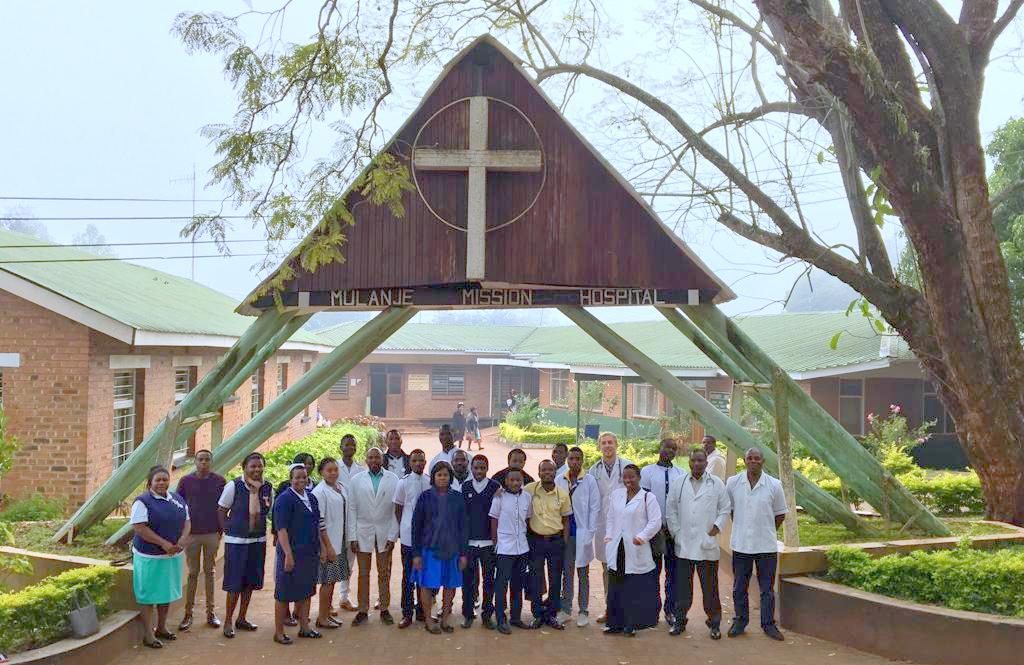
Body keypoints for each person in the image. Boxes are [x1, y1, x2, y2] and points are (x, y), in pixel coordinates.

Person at [665, 448, 730, 639]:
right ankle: (680, 621)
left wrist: (717, 527)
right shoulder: (679, 483)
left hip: (706, 544)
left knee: (710, 588)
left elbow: (725, 508)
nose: (697, 464)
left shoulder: (716, 484)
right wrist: (676, 533)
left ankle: (714, 623)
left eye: (701, 460)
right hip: (684, 544)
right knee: (682, 588)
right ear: (689, 462)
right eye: (693, 460)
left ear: (706, 462)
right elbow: (671, 510)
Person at [725, 447, 788, 641]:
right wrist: (744, 527)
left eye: (757, 458)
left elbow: (780, 514)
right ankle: (740, 621)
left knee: (767, 589)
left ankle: (768, 624)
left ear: (763, 461)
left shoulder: (774, 485)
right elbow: (731, 510)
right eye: (750, 458)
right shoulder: (733, 482)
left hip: (766, 546)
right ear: (745, 461)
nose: (753, 461)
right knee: (739, 587)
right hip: (741, 545)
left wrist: (765, 529)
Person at [131, 465, 191, 649]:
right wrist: (163, 544)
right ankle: (148, 635)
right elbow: (139, 528)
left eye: (165, 479)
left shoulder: (176, 498)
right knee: (148, 596)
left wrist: (182, 539)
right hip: (150, 557)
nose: (162, 483)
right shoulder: (142, 501)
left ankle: (162, 628)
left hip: (172, 557)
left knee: (165, 593)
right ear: (150, 482)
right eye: (158, 480)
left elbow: (187, 521)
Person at [272, 464, 330, 645]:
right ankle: (279, 632)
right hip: (292, 554)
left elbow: (316, 526)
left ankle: (304, 628)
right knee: (283, 593)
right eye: (297, 477)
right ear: (291, 479)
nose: (301, 480)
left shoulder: (311, 498)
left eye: (303, 477)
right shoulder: (284, 500)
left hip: (309, 554)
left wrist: (321, 548)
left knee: (306, 591)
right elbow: (281, 529)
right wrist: (288, 554)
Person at [218, 452, 274, 639]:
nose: (257, 469)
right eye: (253, 466)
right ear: (245, 468)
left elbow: (267, 511)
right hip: (237, 543)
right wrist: (228, 528)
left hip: (257, 542)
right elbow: (221, 510)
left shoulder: (267, 487)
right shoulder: (234, 486)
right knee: (235, 583)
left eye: (260, 466)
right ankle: (227, 621)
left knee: (250, 582)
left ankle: (241, 618)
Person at [603, 464, 661, 637]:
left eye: (632, 477)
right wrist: (608, 536)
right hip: (617, 546)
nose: (628, 480)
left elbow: (655, 522)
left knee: (632, 588)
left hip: (635, 547)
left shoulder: (647, 497)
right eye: (625, 477)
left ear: (639, 477)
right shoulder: (617, 495)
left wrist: (642, 536)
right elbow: (611, 517)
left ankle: (631, 624)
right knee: (615, 586)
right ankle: (614, 624)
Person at [411, 461, 469, 634]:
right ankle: (428, 620)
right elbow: (416, 526)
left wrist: (463, 554)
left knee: (450, 585)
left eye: (446, 475)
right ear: (433, 477)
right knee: (427, 585)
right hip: (429, 550)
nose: (443, 478)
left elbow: (463, 527)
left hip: (452, 550)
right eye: (439, 475)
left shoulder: (457, 498)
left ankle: (445, 619)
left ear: (450, 477)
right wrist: (416, 554)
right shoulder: (425, 497)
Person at [349, 447, 400, 626]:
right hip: (363, 531)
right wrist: (352, 536)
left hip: (385, 532)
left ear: (382, 459)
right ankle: (363, 610)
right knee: (363, 573)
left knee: (384, 572)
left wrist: (393, 535)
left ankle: (384, 608)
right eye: (370, 457)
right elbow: (352, 509)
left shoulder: (393, 479)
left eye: (377, 457)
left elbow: (396, 509)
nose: (374, 461)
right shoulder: (356, 481)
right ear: (366, 460)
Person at [177, 449, 226, 631]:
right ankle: (188, 614)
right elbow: (179, 506)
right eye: (200, 459)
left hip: (212, 533)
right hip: (192, 535)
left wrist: (222, 529)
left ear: (211, 462)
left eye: (207, 459)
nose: (203, 462)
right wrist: (182, 533)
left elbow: (225, 505)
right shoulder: (185, 481)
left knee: (210, 572)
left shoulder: (219, 481)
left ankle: (210, 613)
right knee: (192, 574)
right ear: (195, 461)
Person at [587, 432, 633, 623]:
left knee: (626, 567)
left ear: (617, 445)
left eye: (610, 443)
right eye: (604, 443)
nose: (607, 446)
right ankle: (610, 609)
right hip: (603, 526)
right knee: (607, 568)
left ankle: (628, 610)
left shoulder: (627, 466)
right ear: (599, 446)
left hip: (626, 525)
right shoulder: (593, 470)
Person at [639, 438, 683, 626]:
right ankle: (652, 610)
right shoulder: (648, 472)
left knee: (673, 573)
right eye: (667, 447)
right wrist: (654, 526)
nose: (670, 451)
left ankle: (670, 610)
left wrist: (672, 526)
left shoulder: (681, 474)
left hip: (673, 531)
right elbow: (644, 500)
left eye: (674, 449)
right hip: (654, 531)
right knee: (653, 571)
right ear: (660, 448)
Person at [556, 446, 601, 627]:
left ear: (582, 461)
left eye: (578, 459)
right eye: (571, 458)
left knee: (583, 573)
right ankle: (566, 609)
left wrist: (589, 533)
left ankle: (583, 610)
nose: (574, 462)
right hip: (565, 534)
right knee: (567, 573)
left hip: (582, 533)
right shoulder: (560, 479)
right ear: (567, 460)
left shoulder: (589, 480)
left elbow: (594, 507)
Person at [524, 460, 572, 630]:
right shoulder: (529, 490)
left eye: (550, 470)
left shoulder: (562, 494)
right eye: (543, 470)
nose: (547, 473)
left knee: (555, 579)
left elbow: (566, 520)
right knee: (535, 579)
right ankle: (537, 614)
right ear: (538, 472)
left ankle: (552, 614)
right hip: (536, 541)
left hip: (555, 542)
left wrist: (564, 541)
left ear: (555, 473)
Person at [311, 457, 355, 630]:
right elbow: (319, 522)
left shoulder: (341, 487)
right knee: (327, 582)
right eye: (329, 470)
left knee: (333, 580)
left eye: (335, 470)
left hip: (340, 541)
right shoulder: (319, 492)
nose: (333, 473)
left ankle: (328, 614)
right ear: (321, 472)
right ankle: (322, 618)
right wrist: (326, 547)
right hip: (329, 544)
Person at [489, 469, 533, 635]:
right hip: (504, 548)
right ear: (506, 482)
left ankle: (516, 617)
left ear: (522, 481)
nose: (515, 483)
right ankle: (501, 619)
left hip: (522, 547)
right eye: (512, 480)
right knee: (501, 585)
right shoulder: (499, 497)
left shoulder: (527, 497)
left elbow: (527, 519)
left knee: (518, 584)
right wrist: (495, 544)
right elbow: (494, 520)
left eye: (518, 480)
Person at [460, 454, 499, 629]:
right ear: (471, 468)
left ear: (487, 468)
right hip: (469, 543)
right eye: (476, 468)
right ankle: (468, 614)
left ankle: (487, 615)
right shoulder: (465, 486)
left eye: (482, 468)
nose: (479, 471)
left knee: (489, 580)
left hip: (488, 544)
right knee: (468, 580)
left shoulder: (495, 487)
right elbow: (461, 515)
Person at [394, 449, 430, 628]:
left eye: (421, 460)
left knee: (425, 576)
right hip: (408, 536)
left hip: (427, 537)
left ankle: (423, 611)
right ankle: (407, 613)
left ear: (425, 462)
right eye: (414, 460)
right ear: (410, 463)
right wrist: (403, 527)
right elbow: (398, 508)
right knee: (408, 576)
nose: (418, 463)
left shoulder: (430, 481)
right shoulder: (403, 483)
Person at [336, 434, 365, 612]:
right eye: (346, 445)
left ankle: (344, 597)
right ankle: (328, 602)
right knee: (331, 563)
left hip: (353, 523)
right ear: (341, 447)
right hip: (335, 522)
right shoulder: (334, 467)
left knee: (348, 562)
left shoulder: (360, 470)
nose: (350, 448)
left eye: (353, 445)